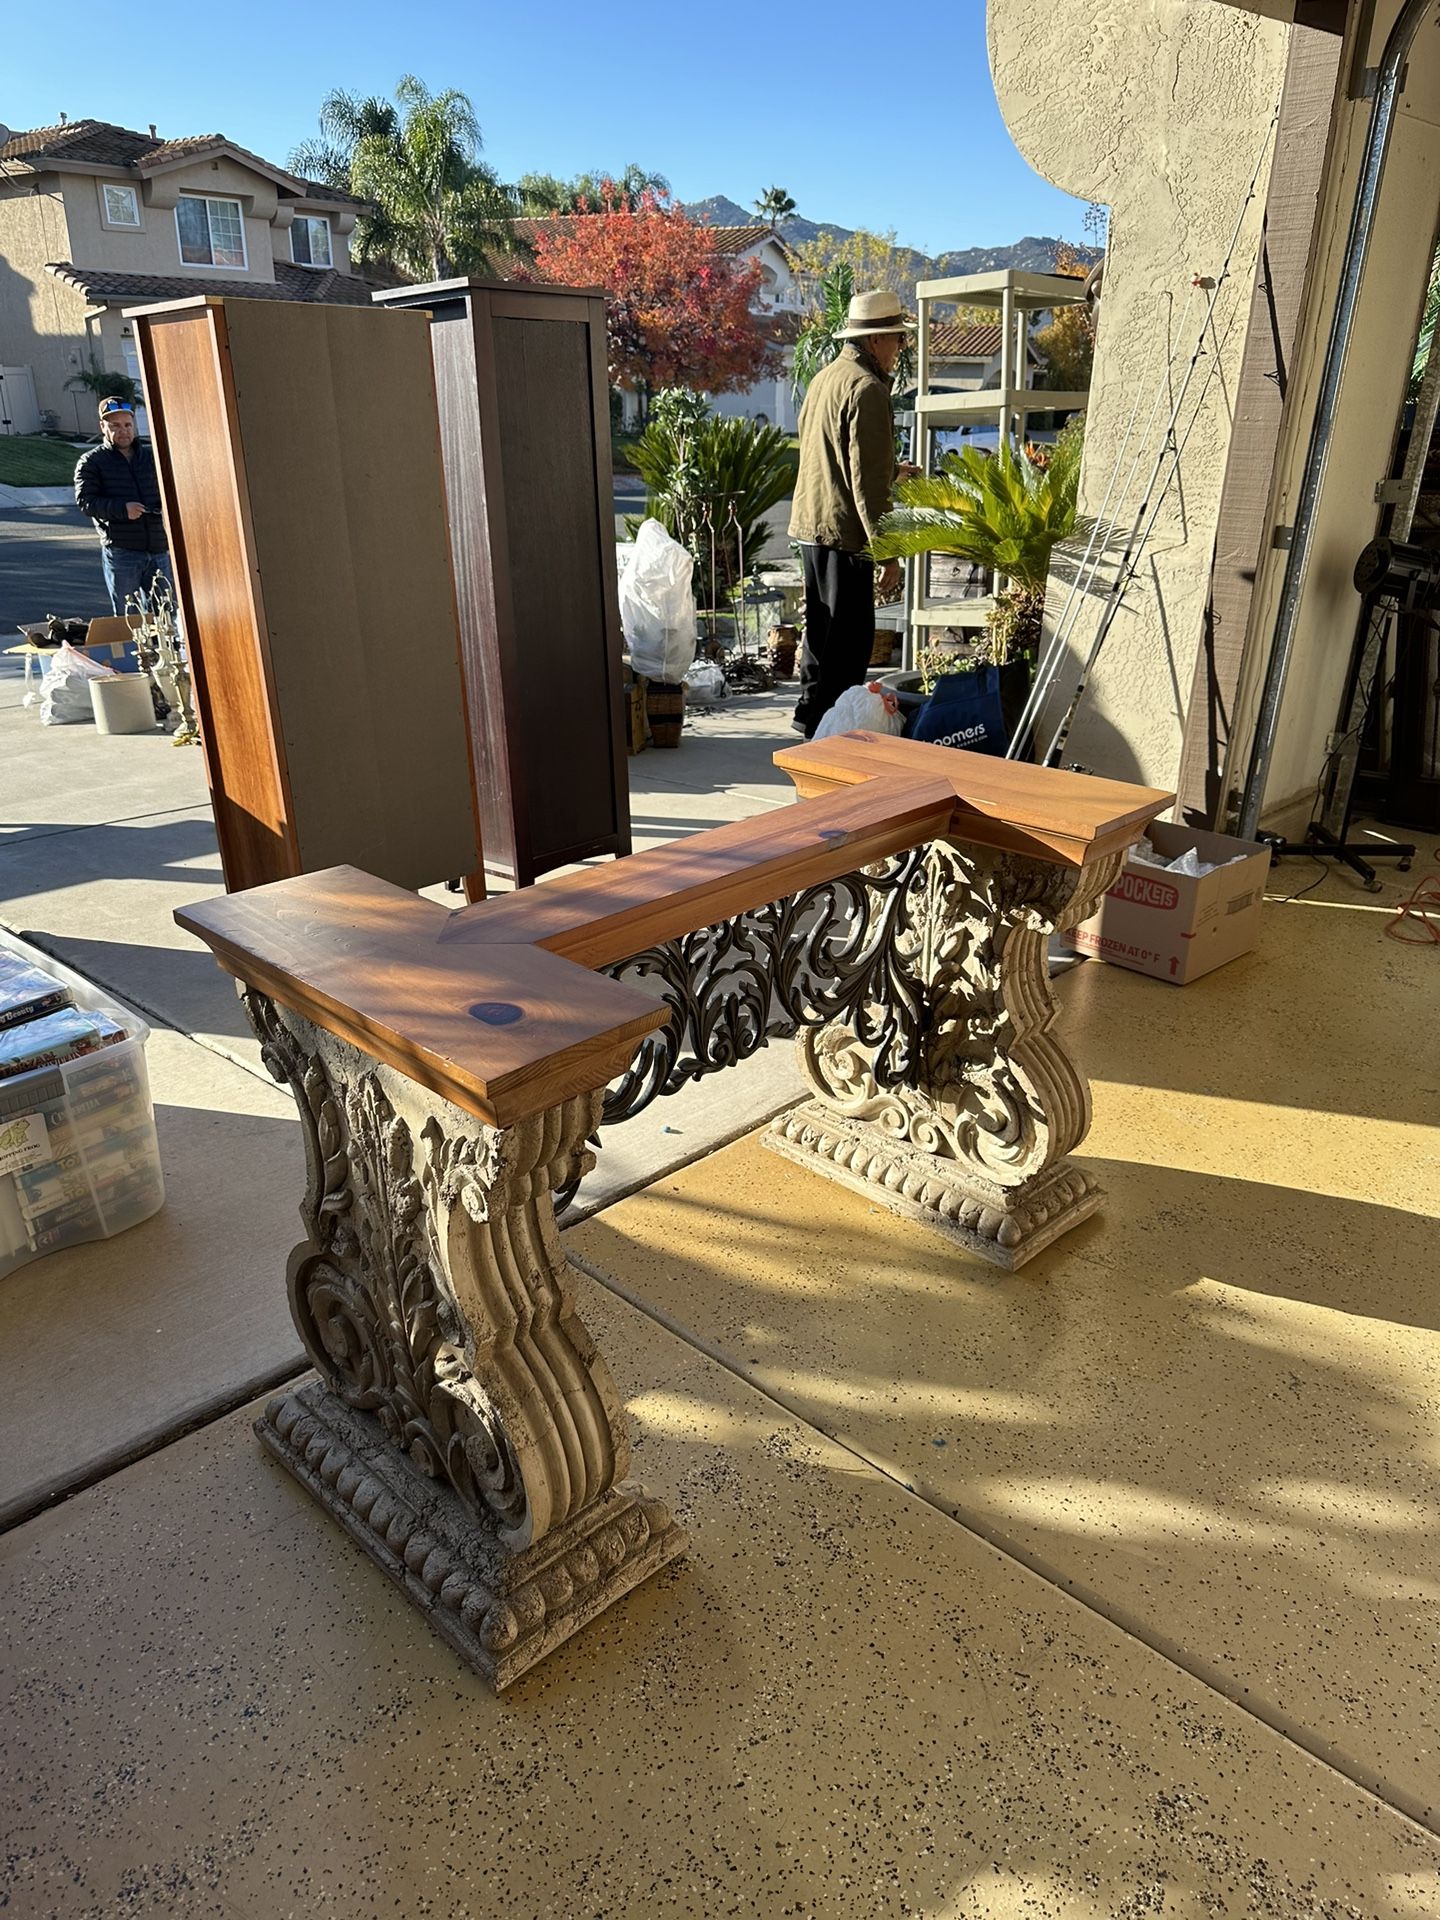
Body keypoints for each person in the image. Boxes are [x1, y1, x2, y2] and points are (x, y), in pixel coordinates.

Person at [788, 289, 917, 738]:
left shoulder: (826, 378)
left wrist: (891, 472)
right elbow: (864, 486)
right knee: (848, 648)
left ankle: (809, 723)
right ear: (877, 340)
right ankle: (830, 742)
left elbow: (827, 455)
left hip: (812, 525)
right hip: (844, 535)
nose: (900, 349)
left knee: (820, 639)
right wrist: (889, 554)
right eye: (898, 340)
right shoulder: (867, 388)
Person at [74, 396, 172, 615]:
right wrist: (123, 509)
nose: (123, 431)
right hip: (122, 552)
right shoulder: (91, 462)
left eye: (127, 425)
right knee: (128, 618)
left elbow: (170, 491)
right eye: (115, 426)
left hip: (158, 549)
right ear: (103, 427)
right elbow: (86, 502)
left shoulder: (151, 457)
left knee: (166, 614)